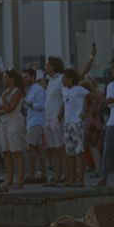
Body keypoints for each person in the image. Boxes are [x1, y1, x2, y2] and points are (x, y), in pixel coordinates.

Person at [59, 68, 90, 186]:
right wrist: (60, 114)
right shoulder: (64, 90)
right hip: (67, 123)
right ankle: (72, 179)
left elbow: (95, 97)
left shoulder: (79, 90)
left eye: (64, 78)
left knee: (79, 152)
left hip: (77, 122)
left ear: (70, 79)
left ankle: (80, 179)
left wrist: (88, 113)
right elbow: (64, 103)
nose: (63, 80)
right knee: (70, 152)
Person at [0, 69, 26, 189]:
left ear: (11, 79)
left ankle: (19, 180)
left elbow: (9, 108)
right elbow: (1, 110)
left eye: (5, 77)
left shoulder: (17, 92)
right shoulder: (4, 92)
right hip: (4, 123)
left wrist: (4, 98)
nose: (3, 80)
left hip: (14, 122)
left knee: (16, 152)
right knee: (6, 152)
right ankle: (9, 179)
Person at [43, 56, 66, 184]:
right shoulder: (50, 80)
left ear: (53, 66)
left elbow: (64, 98)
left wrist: (60, 114)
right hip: (48, 118)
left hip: (56, 118)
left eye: (47, 65)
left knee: (60, 148)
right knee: (53, 149)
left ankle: (65, 174)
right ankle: (57, 176)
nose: (45, 67)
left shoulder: (60, 79)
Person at [21, 68, 46, 183]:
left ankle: (32, 175)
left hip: (36, 122)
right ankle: (41, 174)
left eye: (26, 77)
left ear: (32, 77)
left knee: (31, 147)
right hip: (30, 121)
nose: (24, 79)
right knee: (37, 148)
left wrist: (29, 104)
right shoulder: (29, 90)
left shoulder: (38, 90)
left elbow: (41, 105)